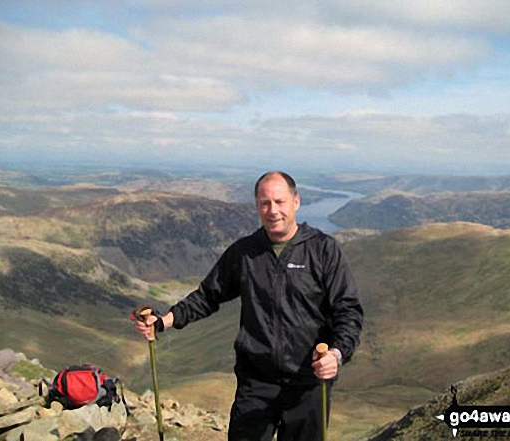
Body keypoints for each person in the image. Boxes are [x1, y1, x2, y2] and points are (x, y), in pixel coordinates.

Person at [136, 171, 363, 440]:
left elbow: (348, 311)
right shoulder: (244, 252)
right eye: (265, 203)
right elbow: (208, 296)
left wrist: (336, 355)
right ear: (257, 206)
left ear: (296, 202)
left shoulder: (323, 250)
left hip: (308, 383)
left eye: (280, 201)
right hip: (256, 382)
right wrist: (163, 321)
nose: (273, 210)